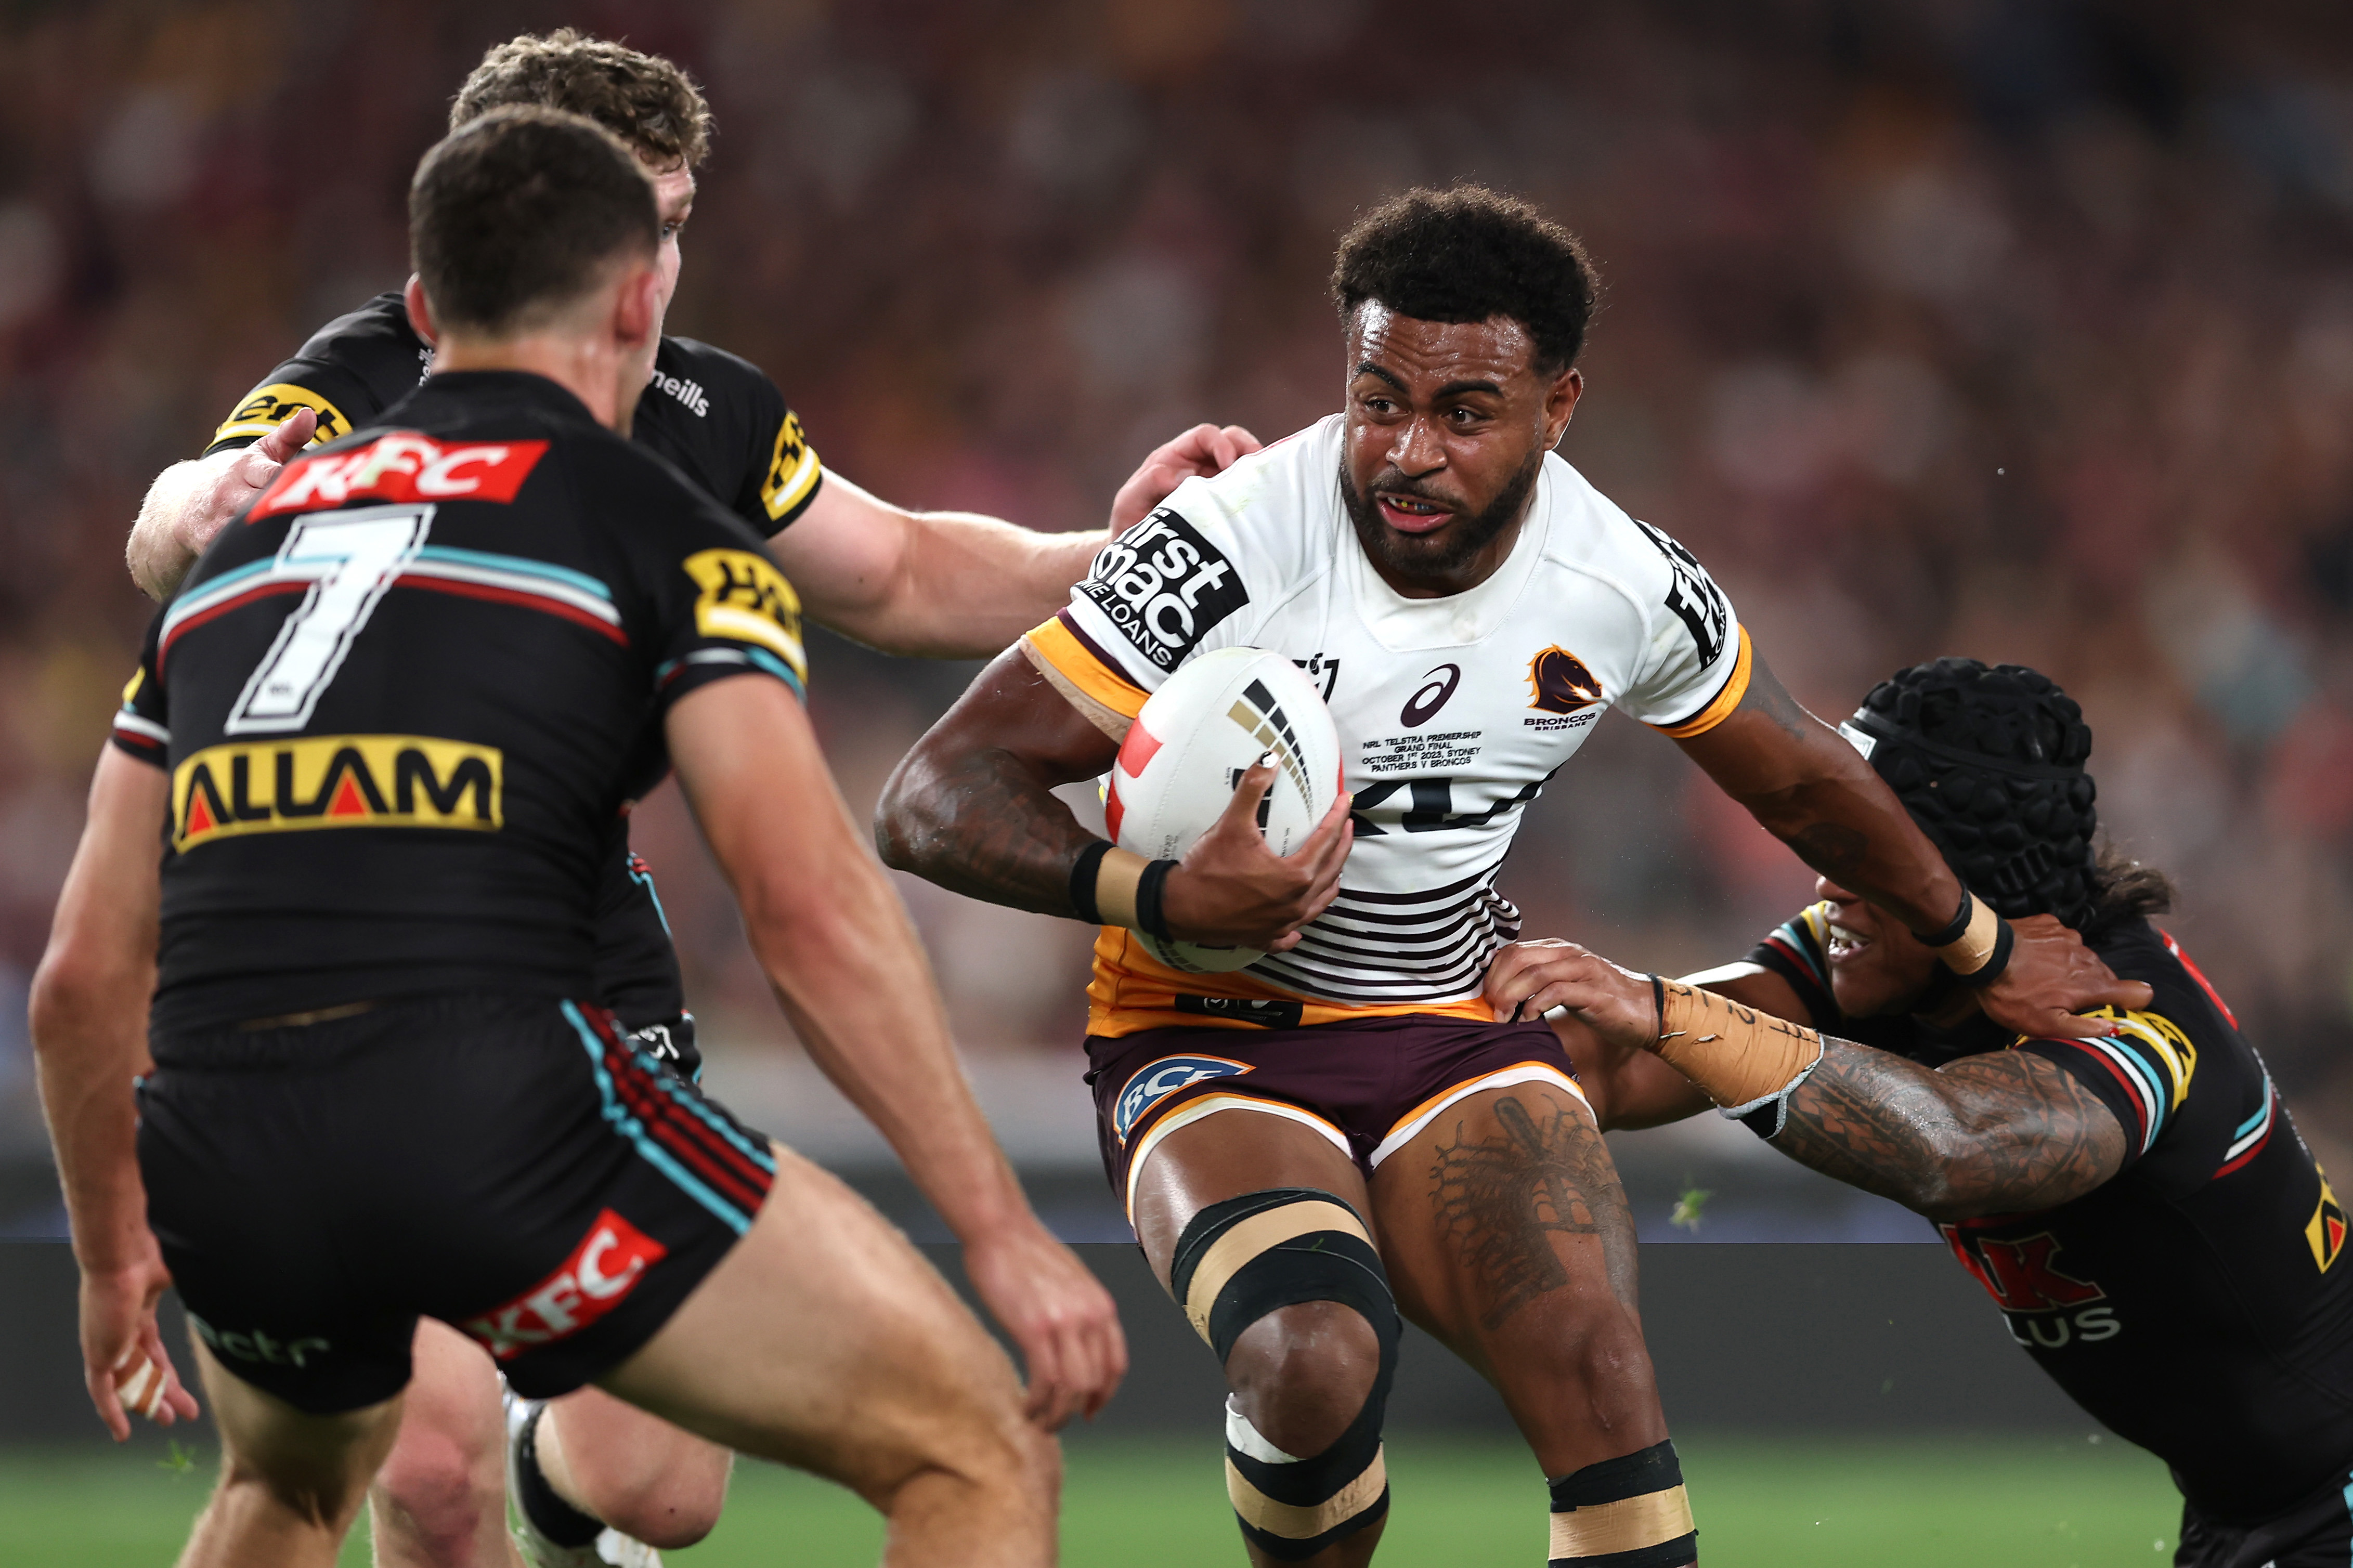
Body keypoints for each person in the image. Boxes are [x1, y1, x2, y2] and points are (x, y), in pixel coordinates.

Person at [873, 186, 2141, 1567]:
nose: (1406, 451)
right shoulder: (1226, 544)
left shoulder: (1620, 579)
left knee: (1593, 1366)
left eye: (1463, 413)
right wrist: (1159, 898)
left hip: (1452, 1031)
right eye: (1376, 400)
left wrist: (1968, 945)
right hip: (1207, 1037)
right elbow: (933, 793)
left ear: (1557, 406)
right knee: (1308, 1358)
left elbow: (1792, 774)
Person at [117, 31, 1244, 1568]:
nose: (660, 268)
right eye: (637, 222)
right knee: (424, 1476)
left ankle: (558, 1477)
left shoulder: (701, 417)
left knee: (658, 1493)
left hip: (568, 934)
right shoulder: (363, 387)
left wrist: (1109, 557)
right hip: (353, 951)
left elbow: (898, 569)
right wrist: (192, 503)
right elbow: (188, 515)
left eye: (674, 219)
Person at [1489, 658, 2353, 1568]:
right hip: (2245, 1511)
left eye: (1868, 856)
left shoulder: (2124, 1018)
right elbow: (1616, 1072)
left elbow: (1954, 1146)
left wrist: (1668, 1010)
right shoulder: (1873, 959)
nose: (1828, 887)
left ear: (1967, 881)